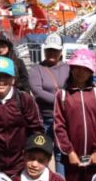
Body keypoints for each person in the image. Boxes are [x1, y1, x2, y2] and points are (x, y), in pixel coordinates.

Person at [53, 48, 96, 181]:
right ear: (71, 69)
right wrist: (69, 152)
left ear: (91, 72)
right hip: (72, 158)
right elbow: (59, 126)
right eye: (76, 67)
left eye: (85, 69)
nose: (80, 72)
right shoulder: (62, 95)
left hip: (93, 157)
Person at [0, 57, 44, 178]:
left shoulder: (24, 99)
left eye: (6, 76)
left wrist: (32, 157)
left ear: (13, 80)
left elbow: (36, 130)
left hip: (21, 164)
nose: (1, 80)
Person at [28, 32, 69, 173]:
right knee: (42, 154)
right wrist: (61, 99)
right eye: (49, 50)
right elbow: (37, 91)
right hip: (44, 119)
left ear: (60, 51)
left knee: (60, 154)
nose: (52, 53)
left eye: (55, 50)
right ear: (44, 50)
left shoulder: (68, 68)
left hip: (63, 118)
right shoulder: (36, 69)